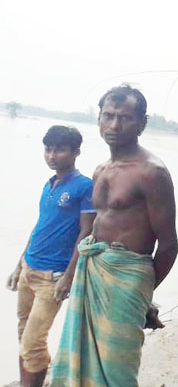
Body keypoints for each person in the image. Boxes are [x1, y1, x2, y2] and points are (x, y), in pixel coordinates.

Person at [50, 85, 178, 386]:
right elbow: (96, 227)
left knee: (118, 372)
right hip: (93, 273)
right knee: (79, 364)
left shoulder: (152, 172)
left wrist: (140, 293)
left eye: (125, 117)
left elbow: (170, 245)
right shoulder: (100, 170)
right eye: (108, 115)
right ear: (98, 120)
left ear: (142, 123)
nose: (114, 125)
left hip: (127, 281)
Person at [5, 126, 96, 387]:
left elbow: (86, 231)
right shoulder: (50, 184)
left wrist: (69, 276)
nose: (52, 155)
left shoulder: (83, 186)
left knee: (34, 340)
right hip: (29, 268)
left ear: (76, 152)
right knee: (24, 335)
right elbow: (40, 225)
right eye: (48, 149)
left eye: (59, 149)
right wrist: (18, 265)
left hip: (52, 277)